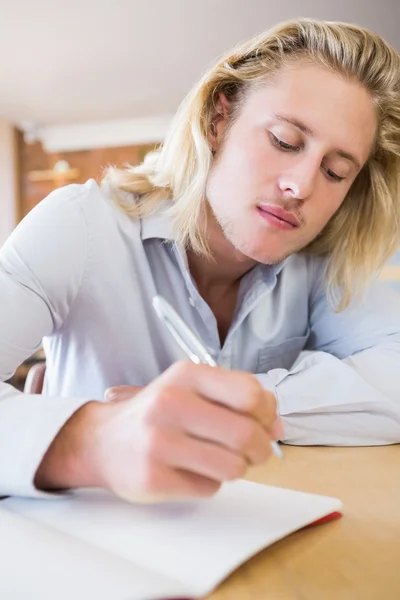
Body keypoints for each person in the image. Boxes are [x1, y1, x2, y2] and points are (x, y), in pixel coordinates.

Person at [1, 18, 399, 503]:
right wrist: (90, 438)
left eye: (335, 172)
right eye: (284, 142)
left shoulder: (324, 258)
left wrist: (247, 404)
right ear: (218, 121)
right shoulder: (80, 225)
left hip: (256, 542)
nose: (302, 186)